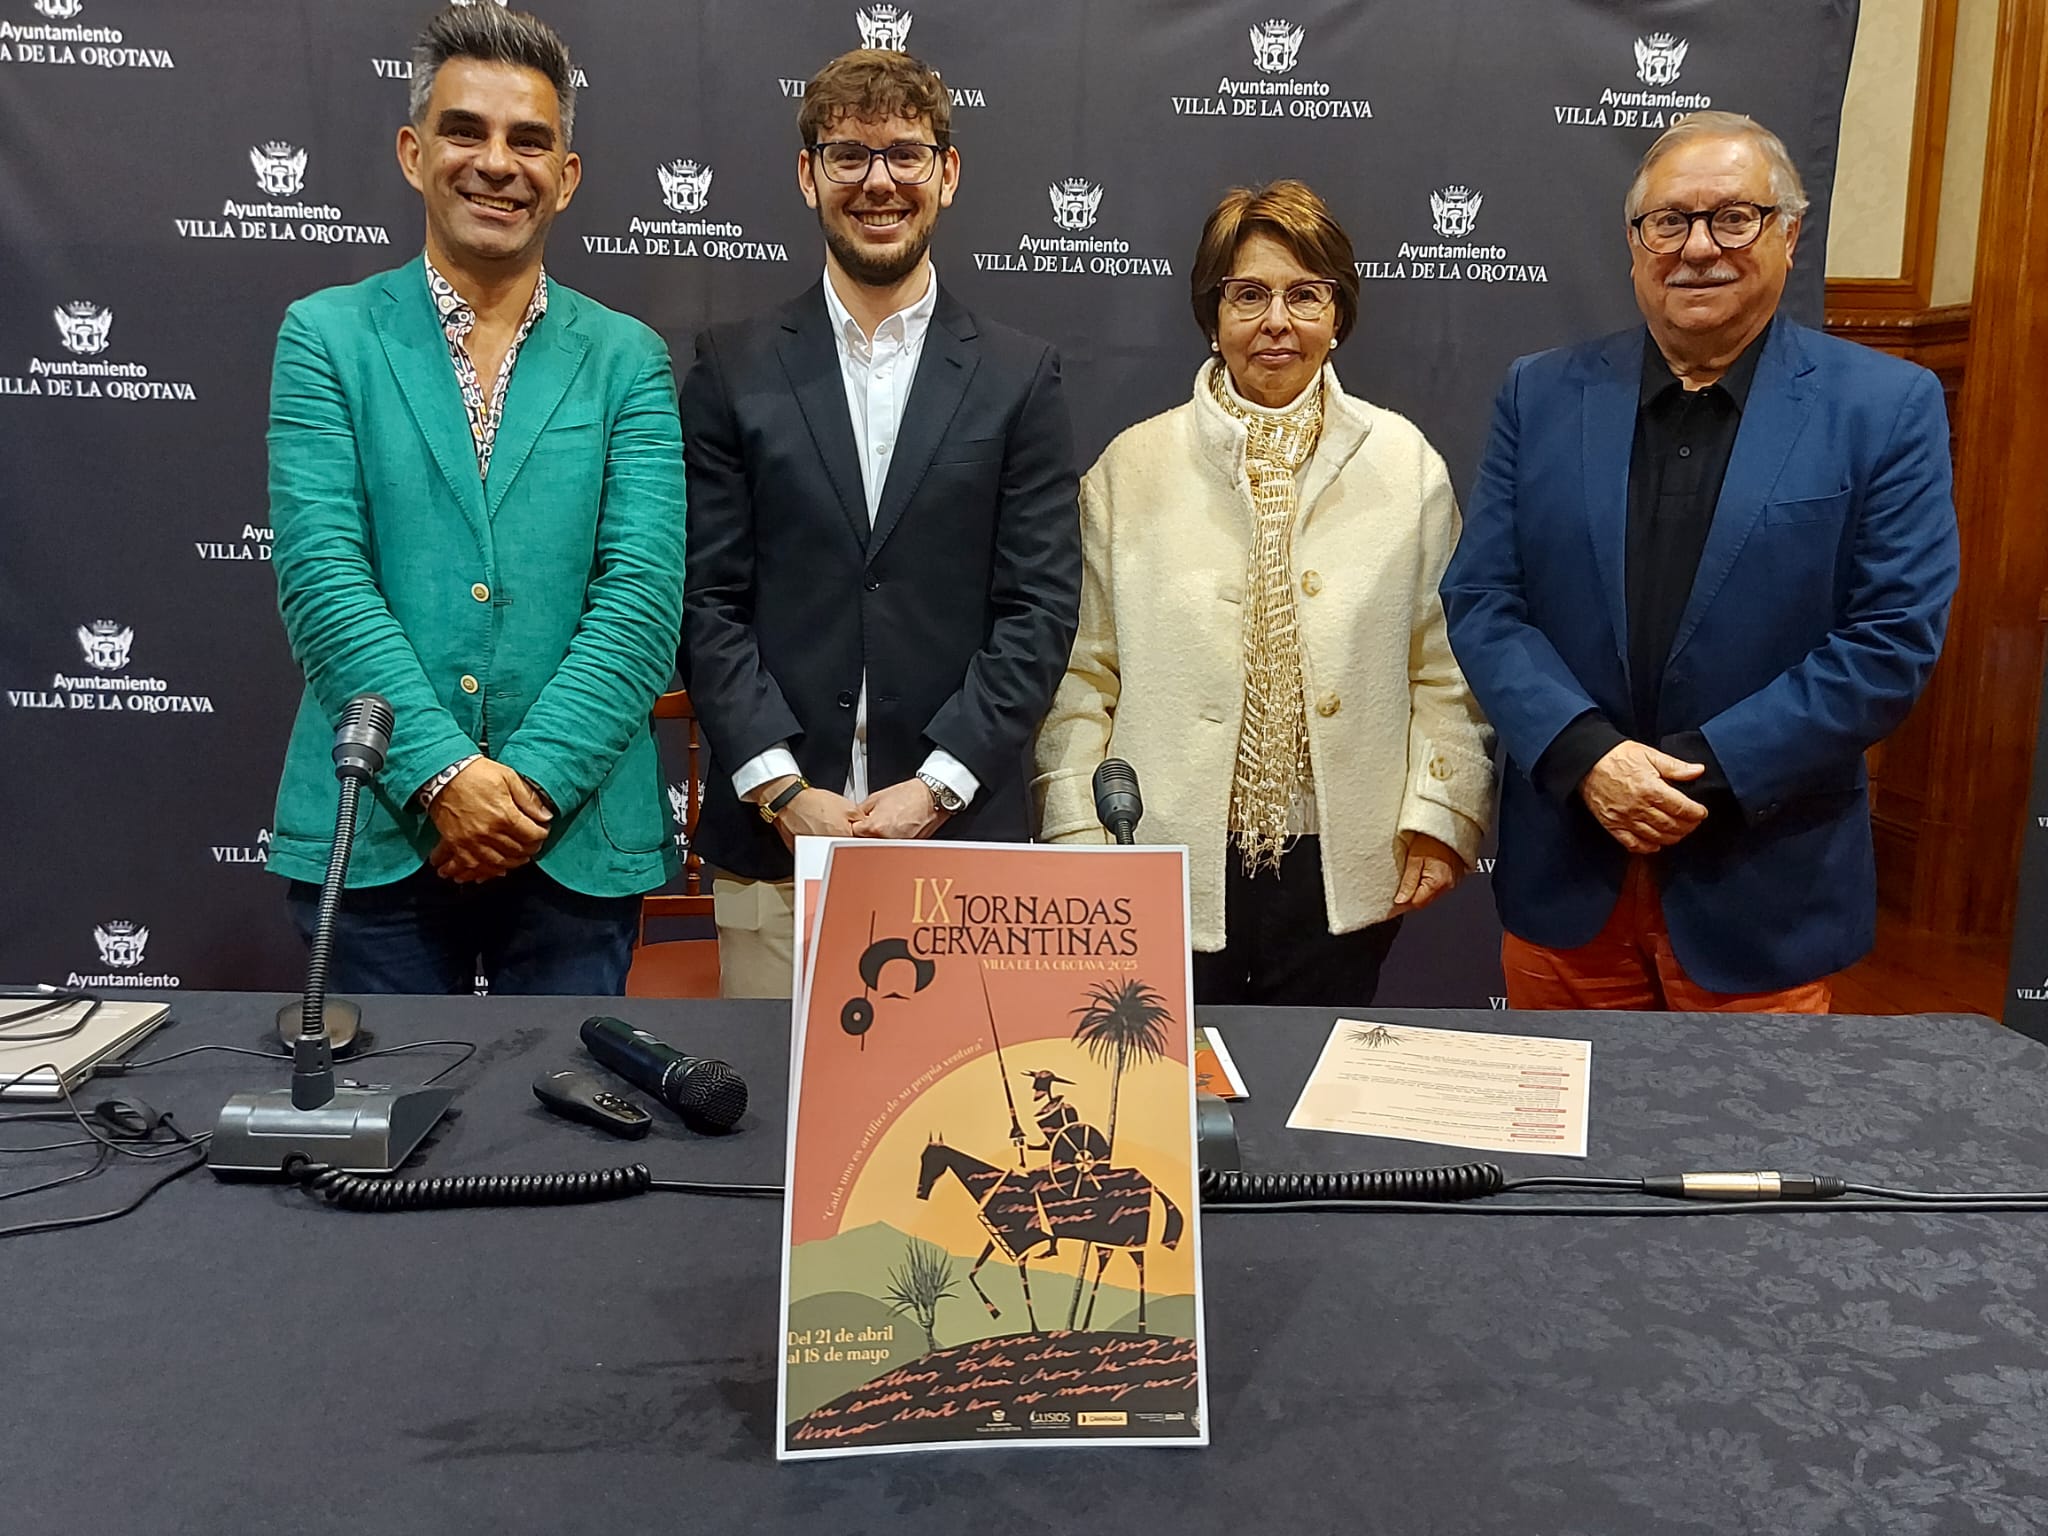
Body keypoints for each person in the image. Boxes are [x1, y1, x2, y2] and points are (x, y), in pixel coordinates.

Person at [1440, 112, 1959, 1012]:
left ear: (1789, 234)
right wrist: (1589, 757)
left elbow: (1890, 643)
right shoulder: (1541, 392)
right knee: (1557, 1153)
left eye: (1734, 217)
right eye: (1669, 222)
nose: (1698, 248)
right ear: (1636, 243)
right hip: (1568, 869)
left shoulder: (1885, 405)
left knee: (1741, 1155)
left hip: (1760, 883)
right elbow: (1485, 598)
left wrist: (1690, 776)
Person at [264, 5, 687, 995]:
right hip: (377, 831)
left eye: (529, 140)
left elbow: (640, 599)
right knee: (376, 1143)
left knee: (564, 1141)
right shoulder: (324, 338)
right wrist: (444, 777)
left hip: (573, 839)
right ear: (414, 153)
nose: (497, 163)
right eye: (466, 131)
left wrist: (524, 788)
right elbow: (322, 579)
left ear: (566, 177)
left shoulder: (629, 359)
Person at [1032, 181, 1495, 1006]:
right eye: (1248, 295)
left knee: (1312, 1095)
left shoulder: (1405, 464)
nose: (1277, 321)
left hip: (1346, 861)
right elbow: (1079, 677)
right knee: (1161, 1098)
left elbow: (1447, 668)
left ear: (1338, 314)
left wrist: (1443, 807)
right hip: (1155, 853)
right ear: (1213, 315)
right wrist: (1076, 827)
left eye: (1304, 294)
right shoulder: (1128, 472)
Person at [682, 48, 1082, 999]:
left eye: (904, 153)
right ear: (807, 173)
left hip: (959, 848)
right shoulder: (730, 368)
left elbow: (1038, 609)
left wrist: (934, 789)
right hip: (774, 852)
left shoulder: (1019, 377)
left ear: (946, 171)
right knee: (776, 1134)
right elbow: (705, 602)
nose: (878, 182)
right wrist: (783, 791)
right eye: (848, 154)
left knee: (958, 1134)